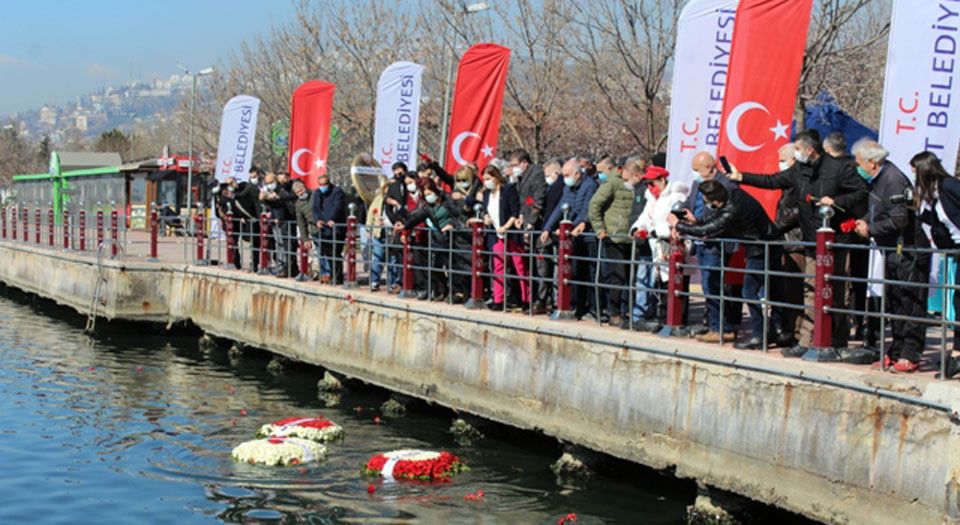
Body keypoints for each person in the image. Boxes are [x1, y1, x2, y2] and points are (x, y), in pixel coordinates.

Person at [728, 130, 868, 358]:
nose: (795, 155)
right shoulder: (799, 170)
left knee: (837, 292)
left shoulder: (839, 168)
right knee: (811, 289)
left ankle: (838, 339)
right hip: (811, 240)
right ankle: (806, 339)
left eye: (798, 151)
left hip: (836, 242)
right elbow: (773, 180)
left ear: (809, 150)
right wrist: (741, 177)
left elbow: (862, 192)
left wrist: (837, 201)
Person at [670, 181, 783, 348]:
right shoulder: (735, 195)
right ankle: (777, 330)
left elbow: (708, 229)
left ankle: (760, 334)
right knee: (774, 290)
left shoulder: (731, 210)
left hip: (760, 250)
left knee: (749, 292)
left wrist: (678, 224)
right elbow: (714, 221)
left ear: (711, 199)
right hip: (768, 245)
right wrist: (696, 220)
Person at [852, 140, 929, 373]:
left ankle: (911, 354)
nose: (858, 168)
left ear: (872, 163)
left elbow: (899, 219)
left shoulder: (893, 179)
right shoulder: (877, 181)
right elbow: (878, 208)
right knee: (894, 302)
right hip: (890, 251)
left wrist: (871, 230)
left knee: (910, 301)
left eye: (859, 164)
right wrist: (865, 219)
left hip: (908, 250)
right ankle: (895, 351)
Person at [684, 151, 741, 338]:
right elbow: (690, 204)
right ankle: (716, 325)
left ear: (709, 167)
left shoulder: (727, 185)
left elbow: (725, 215)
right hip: (700, 240)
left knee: (712, 284)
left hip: (716, 241)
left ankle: (720, 328)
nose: (695, 174)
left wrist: (703, 225)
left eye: (696, 170)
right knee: (708, 286)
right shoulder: (697, 184)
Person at [914, 151, 960, 377]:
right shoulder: (931, 196)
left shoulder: (950, 186)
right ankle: (957, 353)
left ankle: (957, 354)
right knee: (957, 300)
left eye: (916, 172)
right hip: (956, 250)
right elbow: (935, 224)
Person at [541, 158, 600, 320]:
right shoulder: (569, 188)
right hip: (572, 235)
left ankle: (592, 309)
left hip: (586, 235)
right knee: (573, 272)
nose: (564, 178)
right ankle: (577, 306)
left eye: (567, 175)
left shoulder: (589, 186)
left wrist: (572, 227)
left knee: (589, 272)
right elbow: (561, 207)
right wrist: (547, 227)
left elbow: (586, 209)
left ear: (577, 173)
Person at [632, 166, 690, 330]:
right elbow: (645, 216)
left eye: (652, 183)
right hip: (657, 246)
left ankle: (677, 319)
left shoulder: (676, 197)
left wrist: (660, 231)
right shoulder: (651, 197)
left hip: (671, 244)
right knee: (662, 282)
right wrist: (636, 228)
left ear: (662, 180)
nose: (649, 187)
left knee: (674, 281)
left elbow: (678, 222)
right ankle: (664, 317)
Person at [397, 179, 469, 301]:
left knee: (454, 266)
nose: (428, 197)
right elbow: (416, 218)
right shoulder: (428, 206)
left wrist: (452, 225)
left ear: (435, 191)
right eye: (425, 195)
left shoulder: (447, 200)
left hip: (454, 238)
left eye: (430, 193)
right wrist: (405, 227)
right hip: (439, 239)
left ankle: (458, 292)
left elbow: (460, 215)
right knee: (436, 265)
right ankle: (442, 290)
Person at [589, 155, 635, 327]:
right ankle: (614, 311)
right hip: (614, 235)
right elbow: (594, 205)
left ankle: (627, 310)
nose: (599, 175)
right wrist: (599, 228)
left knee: (630, 276)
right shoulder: (612, 183)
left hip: (630, 236)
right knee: (617, 275)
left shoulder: (634, 183)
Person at [476, 165, 528, 310]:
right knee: (498, 267)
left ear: (496, 177)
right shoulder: (487, 195)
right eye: (484, 179)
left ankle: (526, 299)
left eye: (488, 178)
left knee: (520, 267)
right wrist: (486, 218)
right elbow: (486, 211)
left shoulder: (508, 190)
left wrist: (506, 226)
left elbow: (514, 212)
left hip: (510, 234)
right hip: (496, 235)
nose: (486, 182)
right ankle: (498, 299)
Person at [773, 143, 803, 347]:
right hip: (786, 242)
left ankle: (798, 332)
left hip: (796, 242)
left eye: (783, 160)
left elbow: (796, 211)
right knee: (787, 288)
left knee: (797, 289)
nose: (779, 164)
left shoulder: (798, 183)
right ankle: (789, 328)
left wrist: (775, 227)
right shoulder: (788, 185)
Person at [536, 158, 566, 314]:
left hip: (555, 233)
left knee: (556, 268)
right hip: (549, 230)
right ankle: (550, 300)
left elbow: (558, 209)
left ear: (556, 172)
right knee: (547, 267)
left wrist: (549, 227)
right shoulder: (552, 187)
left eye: (548, 175)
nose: (546, 179)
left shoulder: (559, 186)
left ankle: (555, 301)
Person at [311, 173, 346, 284]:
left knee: (335, 253)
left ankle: (338, 277)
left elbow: (337, 206)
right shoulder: (317, 193)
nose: (323, 186)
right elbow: (315, 209)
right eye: (320, 184)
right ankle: (331, 275)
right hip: (323, 228)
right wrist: (317, 220)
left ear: (329, 183)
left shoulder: (337, 191)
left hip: (335, 227)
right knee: (327, 253)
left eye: (325, 184)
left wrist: (332, 218)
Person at [233, 168, 266, 272]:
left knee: (270, 242)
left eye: (255, 176)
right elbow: (241, 195)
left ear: (260, 175)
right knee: (255, 242)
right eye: (251, 177)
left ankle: (269, 265)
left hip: (270, 215)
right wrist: (231, 194)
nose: (254, 179)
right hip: (257, 217)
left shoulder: (266, 185)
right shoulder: (250, 187)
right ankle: (255, 265)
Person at [292, 180, 316, 279]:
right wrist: (305, 238)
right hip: (312, 228)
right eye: (297, 192)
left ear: (305, 187)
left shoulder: (315, 195)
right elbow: (301, 222)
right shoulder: (298, 204)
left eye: (301, 190)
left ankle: (322, 272)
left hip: (322, 225)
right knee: (313, 251)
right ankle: (315, 272)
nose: (300, 193)